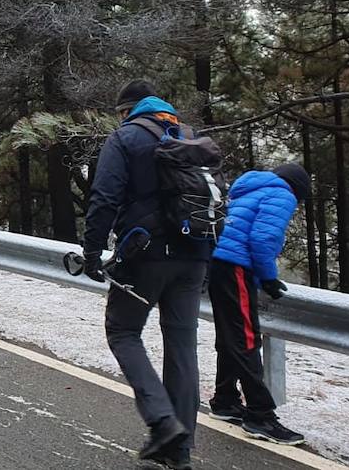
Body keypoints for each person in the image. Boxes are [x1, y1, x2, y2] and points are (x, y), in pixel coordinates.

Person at [81, 80, 213, 470]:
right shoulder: (189, 137)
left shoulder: (126, 139)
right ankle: (180, 452)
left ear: (128, 110)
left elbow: (104, 197)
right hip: (196, 256)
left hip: (147, 254)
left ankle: (161, 422)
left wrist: (92, 251)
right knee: (182, 346)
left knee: (122, 331)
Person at [207, 163, 310, 445]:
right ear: (298, 189)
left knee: (230, 336)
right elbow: (263, 238)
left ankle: (225, 400)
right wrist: (268, 278)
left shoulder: (249, 188)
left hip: (217, 264)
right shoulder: (283, 194)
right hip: (238, 268)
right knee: (247, 339)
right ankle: (260, 416)